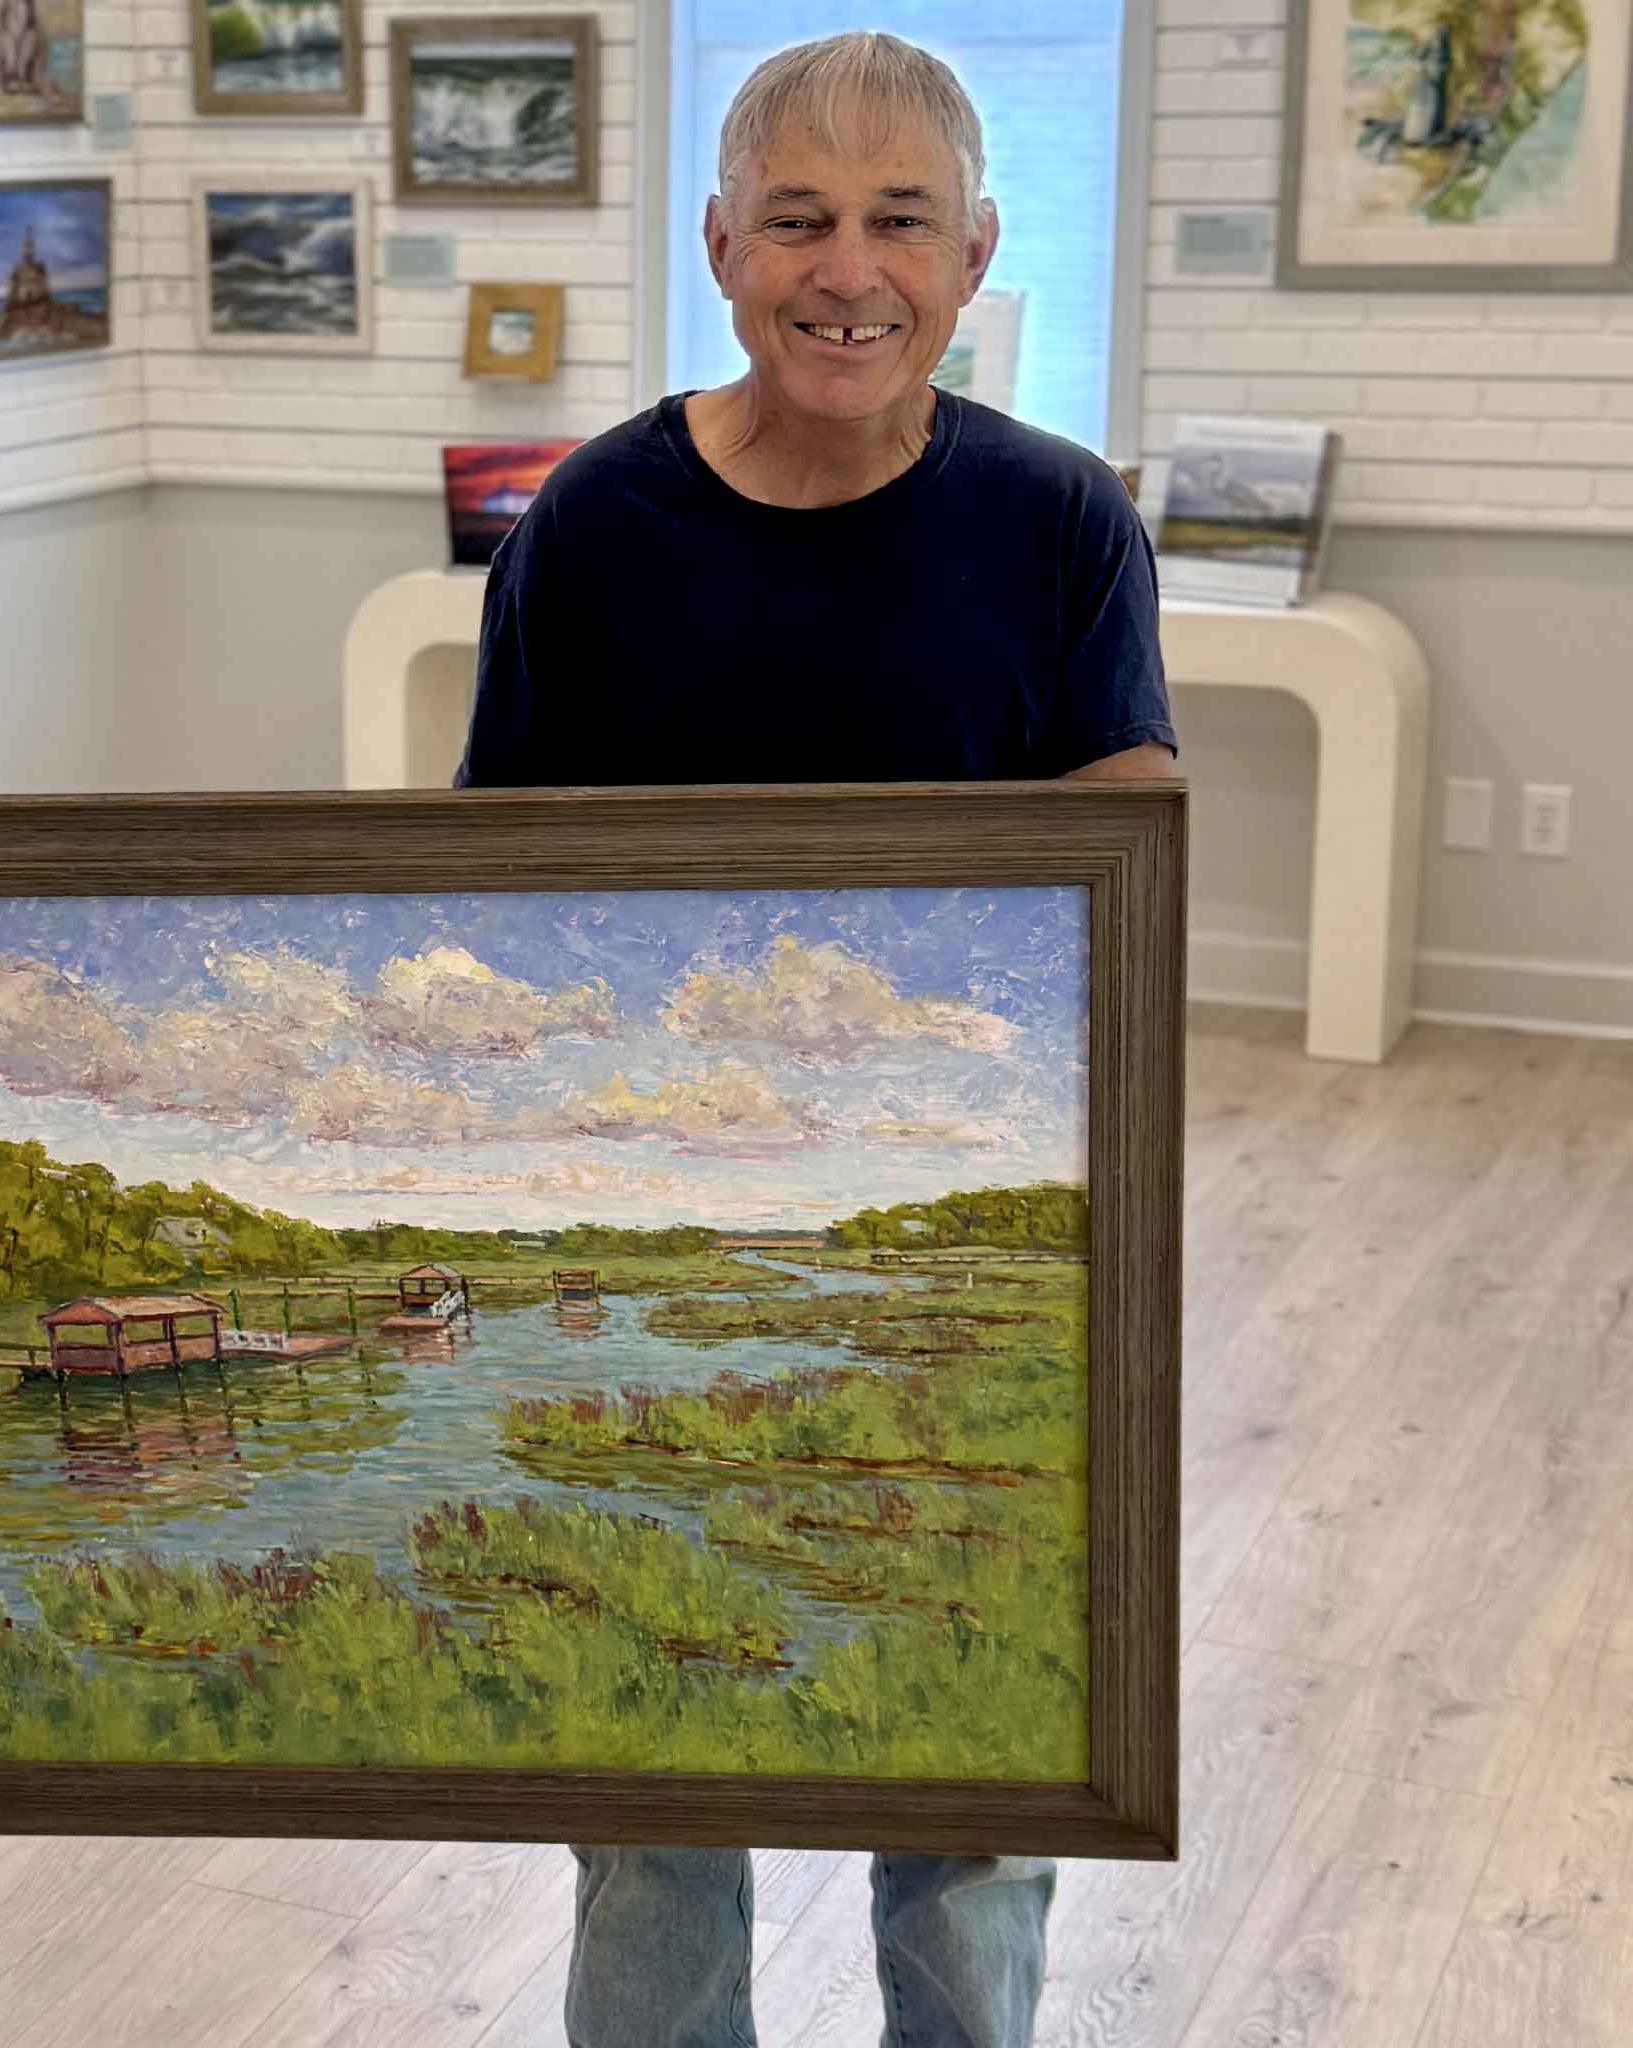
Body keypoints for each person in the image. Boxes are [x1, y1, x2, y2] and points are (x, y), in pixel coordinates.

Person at [452, 30, 1178, 2048]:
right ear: (717, 244)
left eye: (895, 221)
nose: (842, 268)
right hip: (657, 1241)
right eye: (796, 218)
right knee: (650, 1745)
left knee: (976, 1754)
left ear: (971, 255)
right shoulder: (594, 519)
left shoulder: (1062, 523)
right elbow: (497, 895)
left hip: (978, 1239)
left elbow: (1126, 861)